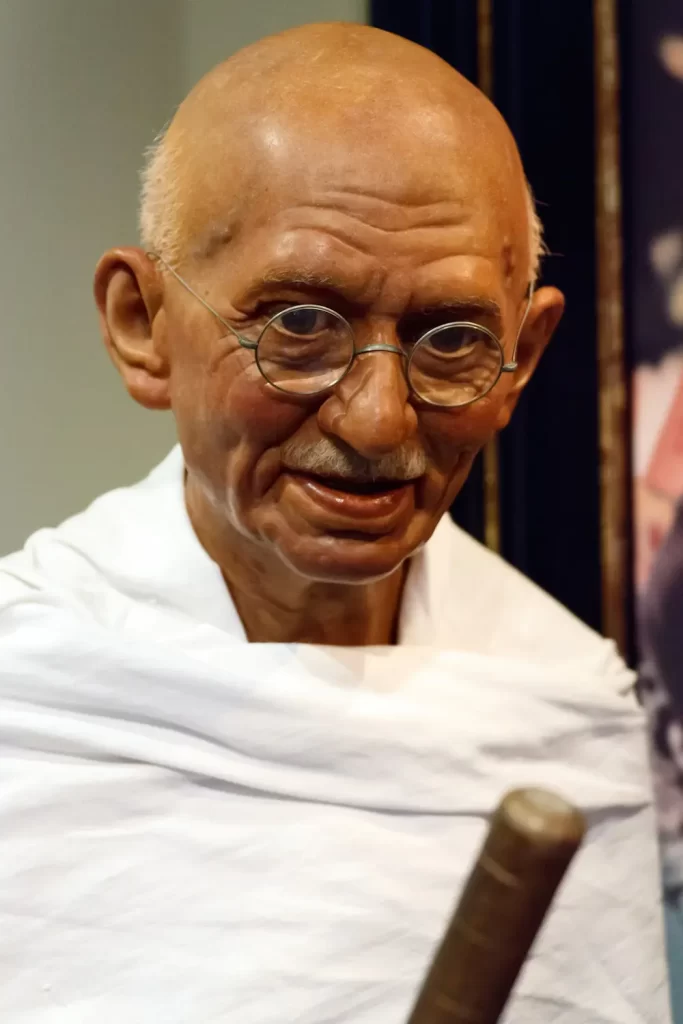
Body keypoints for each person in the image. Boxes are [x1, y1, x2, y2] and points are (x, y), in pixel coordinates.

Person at [0, 22, 669, 1023]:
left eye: (450, 340)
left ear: (522, 358)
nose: (375, 419)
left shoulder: (557, 707)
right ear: (142, 325)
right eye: (298, 327)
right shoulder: (34, 696)